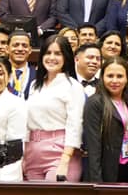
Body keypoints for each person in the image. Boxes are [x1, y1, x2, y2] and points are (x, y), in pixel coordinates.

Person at [23, 37, 86, 182]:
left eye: (58, 53)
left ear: (66, 57)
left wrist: (65, 160)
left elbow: (75, 124)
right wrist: (24, 155)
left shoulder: (73, 86)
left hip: (60, 152)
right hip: (33, 151)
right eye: (48, 53)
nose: (52, 58)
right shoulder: (34, 85)